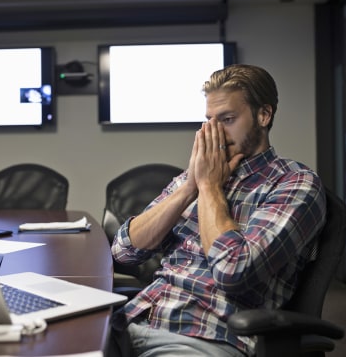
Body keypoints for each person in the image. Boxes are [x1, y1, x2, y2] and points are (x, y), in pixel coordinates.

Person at [109, 64, 327, 357]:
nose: (215, 132)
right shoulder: (195, 177)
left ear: (264, 115)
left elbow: (232, 272)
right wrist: (189, 189)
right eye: (209, 120)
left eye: (227, 119)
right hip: (131, 322)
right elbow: (124, 250)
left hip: (203, 337)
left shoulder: (294, 182)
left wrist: (210, 189)